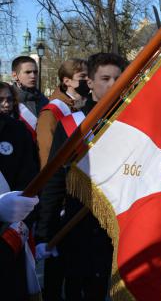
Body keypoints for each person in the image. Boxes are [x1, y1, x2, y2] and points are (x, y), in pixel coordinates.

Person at [36, 53, 127, 300]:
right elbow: (55, 179)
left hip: (119, 224)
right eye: (105, 78)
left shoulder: (131, 122)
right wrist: (44, 232)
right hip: (78, 224)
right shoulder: (72, 124)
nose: (112, 84)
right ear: (90, 82)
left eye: (118, 78)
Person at [35, 58, 88, 300]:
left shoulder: (81, 106)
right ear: (67, 81)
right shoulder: (53, 112)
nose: (86, 82)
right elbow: (49, 160)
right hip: (62, 193)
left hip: (82, 191)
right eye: (82, 78)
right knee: (57, 270)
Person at [0, 82, 40, 299]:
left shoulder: (17, 130)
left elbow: (29, 177)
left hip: (9, 233)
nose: (5, 104)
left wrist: (22, 217)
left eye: (8, 99)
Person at [11, 56, 49, 125]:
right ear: (15, 75)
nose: (33, 76)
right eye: (28, 72)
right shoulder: (8, 100)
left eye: (35, 72)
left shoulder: (44, 100)